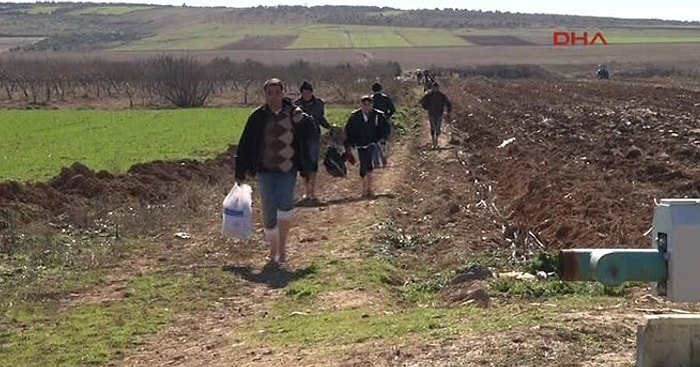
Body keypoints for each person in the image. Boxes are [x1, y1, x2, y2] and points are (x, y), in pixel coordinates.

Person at [234, 78, 314, 265]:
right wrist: (240, 171)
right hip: (265, 170)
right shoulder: (257, 117)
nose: (273, 97)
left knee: (285, 205)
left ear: (283, 93)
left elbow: (311, 132)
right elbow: (245, 144)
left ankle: (282, 250)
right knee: (269, 209)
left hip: (288, 169)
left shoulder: (294, 113)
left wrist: (302, 120)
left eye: (277, 92)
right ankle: (273, 247)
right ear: (265, 95)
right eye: (269, 93)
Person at [344, 95, 390, 198]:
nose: (366, 107)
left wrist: (382, 139)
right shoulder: (355, 116)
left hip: (373, 143)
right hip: (360, 144)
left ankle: (368, 188)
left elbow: (386, 128)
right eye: (364, 105)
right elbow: (348, 130)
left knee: (369, 164)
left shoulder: (378, 115)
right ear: (361, 105)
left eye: (368, 104)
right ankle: (365, 188)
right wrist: (349, 144)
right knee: (364, 164)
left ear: (372, 105)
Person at [294, 81, 331, 204]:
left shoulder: (319, 104)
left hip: (314, 137)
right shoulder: (296, 105)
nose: (306, 94)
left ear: (312, 92)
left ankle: (312, 191)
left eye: (308, 92)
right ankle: (306, 191)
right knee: (303, 164)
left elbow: (321, 119)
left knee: (313, 162)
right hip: (300, 138)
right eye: (304, 92)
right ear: (301, 93)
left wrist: (330, 128)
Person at [370, 82, 396, 167]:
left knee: (373, 142)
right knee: (383, 141)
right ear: (381, 89)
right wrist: (387, 116)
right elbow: (392, 109)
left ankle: (376, 162)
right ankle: (383, 156)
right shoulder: (385, 98)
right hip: (384, 122)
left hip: (373, 123)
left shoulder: (371, 99)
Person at [419, 82, 452, 149]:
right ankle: (434, 142)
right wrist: (426, 107)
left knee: (438, 128)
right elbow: (422, 101)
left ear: (438, 88)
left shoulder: (442, 95)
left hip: (439, 113)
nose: (435, 89)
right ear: (432, 88)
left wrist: (448, 111)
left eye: (436, 88)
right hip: (431, 113)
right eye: (434, 87)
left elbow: (448, 103)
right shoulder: (429, 95)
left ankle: (436, 139)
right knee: (433, 127)